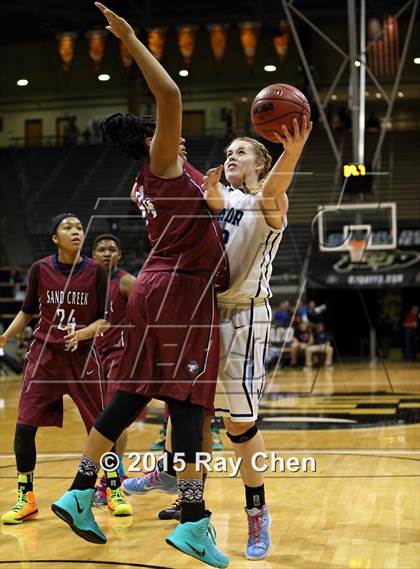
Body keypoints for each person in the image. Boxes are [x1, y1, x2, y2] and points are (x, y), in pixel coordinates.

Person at [52, 5, 229, 568]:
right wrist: (129, 39)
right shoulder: (163, 163)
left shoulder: (154, 182)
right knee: (189, 407)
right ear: (156, 141)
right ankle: (195, 522)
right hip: (181, 293)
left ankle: (81, 491)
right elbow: (171, 96)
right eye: (172, 140)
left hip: (155, 290)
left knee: (132, 396)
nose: (182, 144)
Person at [124, 118, 312, 559]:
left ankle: (256, 513)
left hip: (245, 317)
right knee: (186, 404)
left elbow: (269, 191)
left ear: (261, 163)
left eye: (240, 152)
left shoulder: (270, 198)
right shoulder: (217, 193)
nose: (230, 157)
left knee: (238, 425)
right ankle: (177, 482)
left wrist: (293, 150)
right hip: (201, 309)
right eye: (227, 152)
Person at [1, 213, 109, 525]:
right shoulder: (40, 269)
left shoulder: (97, 271)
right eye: (68, 227)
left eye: (79, 228)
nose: (76, 232)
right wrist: (6, 336)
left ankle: (112, 490)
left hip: (83, 357)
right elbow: (27, 312)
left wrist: (85, 333)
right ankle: (26, 498)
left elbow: (105, 320)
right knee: (24, 427)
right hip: (45, 357)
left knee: (103, 427)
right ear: (54, 237)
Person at [91, 234, 135, 515]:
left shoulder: (127, 282)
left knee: (113, 419)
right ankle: (113, 474)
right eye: (101, 249)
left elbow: (149, 309)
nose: (106, 253)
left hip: (119, 357)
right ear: (93, 254)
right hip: (93, 358)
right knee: (99, 420)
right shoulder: (85, 283)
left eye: (112, 250)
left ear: (119, 254)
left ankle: (113, 478)